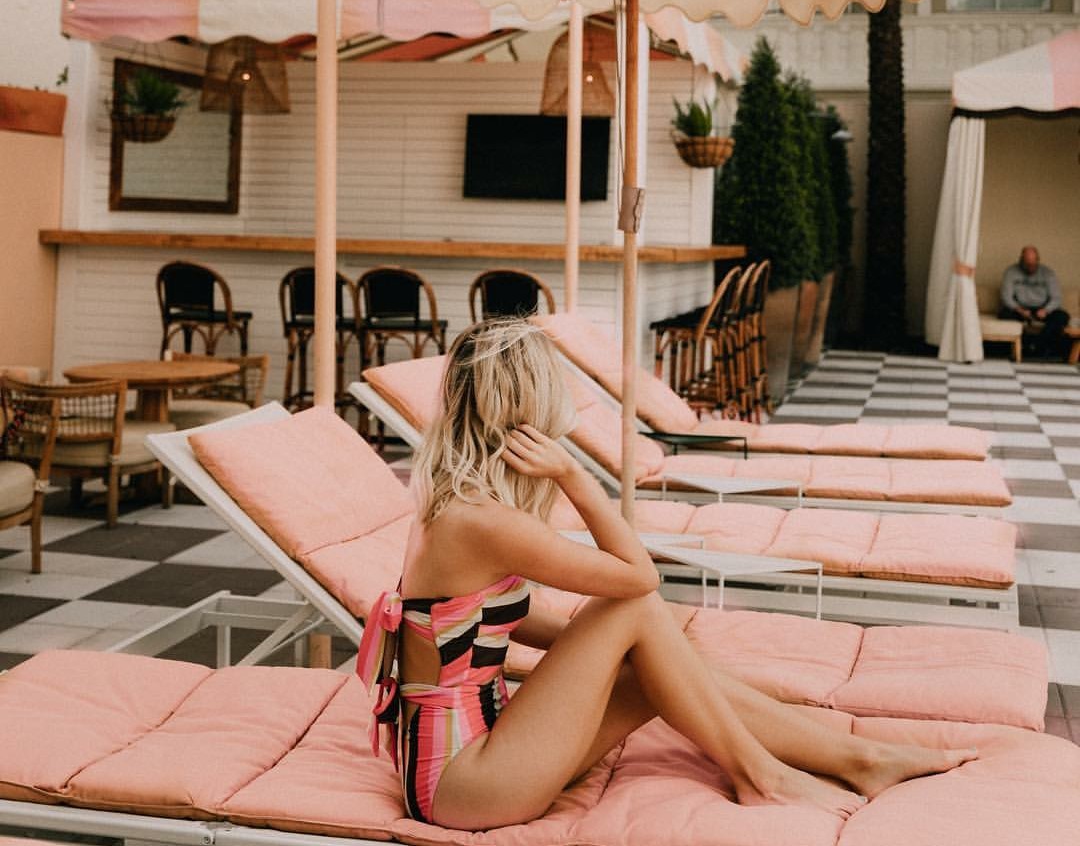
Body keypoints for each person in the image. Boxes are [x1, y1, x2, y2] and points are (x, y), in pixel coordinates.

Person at [358, 319, 977, 831]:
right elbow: (638, 578)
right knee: (632, 609)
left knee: (647, 655)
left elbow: (492, 623)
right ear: (530, 409)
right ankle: (762, 776)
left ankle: (861, 758)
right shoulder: (480, 522)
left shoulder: (454, 506)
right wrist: (575, 477)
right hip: (463, 783)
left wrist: (626, 657)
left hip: (490, 753)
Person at [1000, 246, 1069, 360]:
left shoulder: (1048, 273)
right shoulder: (1011, 272)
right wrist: (1019, 309)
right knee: (1004, 314)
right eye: (1027, 264)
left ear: (1038, 260)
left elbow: (1056, 298)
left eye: (1033, 264)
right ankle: (1025, 344)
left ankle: (1037, 345)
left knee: (1062, 316)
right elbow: (1006, 297)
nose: (1030, 268)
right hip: (1020, 308)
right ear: (1021, 260)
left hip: (1042, 308)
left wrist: (1046, 310)